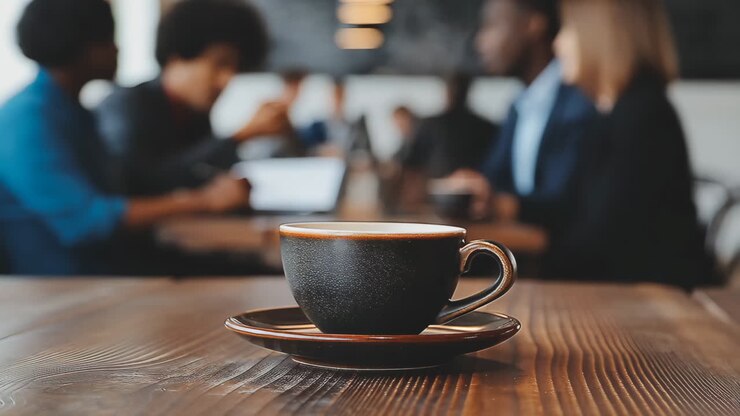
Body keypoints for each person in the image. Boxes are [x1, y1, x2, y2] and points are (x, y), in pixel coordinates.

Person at [0, 0, 249, 275]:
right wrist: (204, 200)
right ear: (80, 45)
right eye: (108, 39)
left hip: (104, 273)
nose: (117, 49)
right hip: (60, 287)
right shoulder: (27, 118)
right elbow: (86, 221)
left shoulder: (73, 111)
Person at [549, 0, 712, 287]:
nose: (558, 44)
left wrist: (532, 263)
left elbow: (605, 236)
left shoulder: (642, 115)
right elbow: (574, 208)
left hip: (651, 303)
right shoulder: (616, 112)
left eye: (569, 29)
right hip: (625, 293)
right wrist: (507, 206)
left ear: (599, 34)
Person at [96, 0, 291, 196]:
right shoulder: (127, 105)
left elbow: (202, 175)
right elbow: (140, 183)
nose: (227, 80)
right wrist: (240, 136)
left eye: (235, 69)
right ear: (177, 56)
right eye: (220, 64)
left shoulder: (195, 114)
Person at [452, 0, 597, 227]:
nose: (480, 42)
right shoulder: (519, 105)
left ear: (533, 24)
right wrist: (476, 185)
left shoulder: (583, 98)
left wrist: (501, 204)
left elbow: (566, 202)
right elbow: (494, 177)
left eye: (492, 25)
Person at [404, 73, 498, 179]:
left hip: (459, 187)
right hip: (465, 186)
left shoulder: (429, 124)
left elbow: (410, 162)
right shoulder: (487, 127)